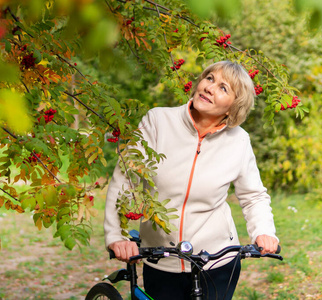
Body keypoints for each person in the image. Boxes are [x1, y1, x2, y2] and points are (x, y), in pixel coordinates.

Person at [104, 60, 279, 300]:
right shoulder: (158, 122)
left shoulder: (239, 140)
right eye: (209, 78)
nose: (210, 87)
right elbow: (125, 179)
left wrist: (264, 231)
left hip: (217, 263)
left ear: (233, 108)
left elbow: (253, 195)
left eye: (223, 88)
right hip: (162, 260)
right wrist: (117, 236)